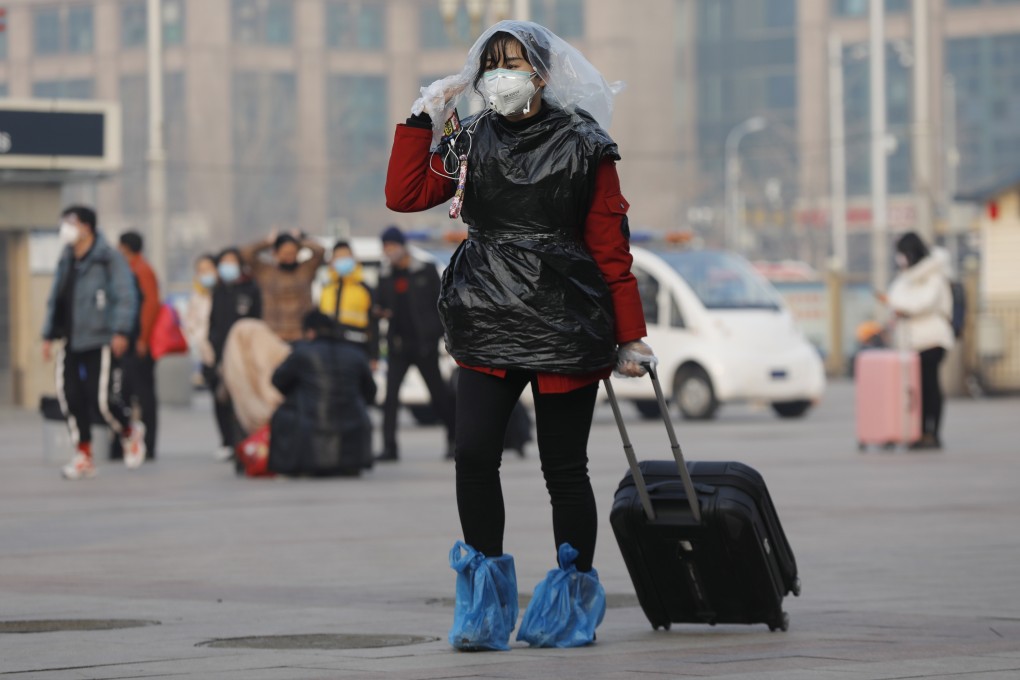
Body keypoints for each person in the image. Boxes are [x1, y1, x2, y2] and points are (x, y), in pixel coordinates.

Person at [385, 21, 653, 649]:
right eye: (492, 63)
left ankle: (568, 602)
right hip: (486, 316)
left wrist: (630, 336)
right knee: (474, 455)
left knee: (564, 469)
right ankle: (483, 606)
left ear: (542, 71)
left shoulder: (587, 144)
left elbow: (612, 249)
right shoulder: (471, 137)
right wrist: (425, 115)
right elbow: (405, 194)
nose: (501, 74)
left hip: (566, 318)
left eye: (514, 62)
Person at [42, 205, 147, 479]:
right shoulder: (67, 257)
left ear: (86, 226)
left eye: (70, 222)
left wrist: (121, 331)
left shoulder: (108, 257)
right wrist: (47, 334)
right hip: (69, 338)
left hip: (100, 337)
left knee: (100, 399)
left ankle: (129, 430)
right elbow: (56, 297)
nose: (65, 227)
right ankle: (84, 454)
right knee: (69, 397)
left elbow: (126, 295)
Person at [373, 226, 455, 462]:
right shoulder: (385, 274)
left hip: (424, 345)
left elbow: (441, 306)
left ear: (402, 246)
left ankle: (453, 439)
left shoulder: (425, 270)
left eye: (392, 246)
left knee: (438, 395)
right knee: (390, 399)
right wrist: (379, 311)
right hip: (398, 345)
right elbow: (378, 303)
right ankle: (389, 447)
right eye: (386, 247)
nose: (389, 252)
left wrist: (438, 337)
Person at [268, 311, 377, 477]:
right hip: (354, 449)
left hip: (311, 448)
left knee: (283, 412)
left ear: (310, 332)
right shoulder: (356, 354)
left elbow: (278, 381)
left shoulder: (302, 353)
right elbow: (371, 393)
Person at [886, 231, 955, 450]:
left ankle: (932, 432)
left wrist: (903, 308)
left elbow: (923, 303)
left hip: (933, 340)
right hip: (911, 342)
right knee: (916, 389)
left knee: (930, 386)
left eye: (902, 253)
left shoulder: (934, 274)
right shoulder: (905, 278)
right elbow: (894, 299)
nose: (899, 259)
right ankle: (916, 431)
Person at [207, 247, 262, 460]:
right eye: (224, 262)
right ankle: (227, 441)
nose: (227, 266)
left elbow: (257, 320)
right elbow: (213, 323)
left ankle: (244, 440)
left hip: (245, 354)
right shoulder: (219, 291)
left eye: (232, 261)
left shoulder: (251, 289)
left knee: (243, 400)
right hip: (221, 354)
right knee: (221, 399)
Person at [115, 231, 161, 461]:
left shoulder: (142, 270)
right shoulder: (129, 270)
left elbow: (151, 305)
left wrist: (142, 338)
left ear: (126, 248)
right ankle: (124, 442)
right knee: (124, 393)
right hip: (130, 343)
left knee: (144, 396)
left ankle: (149, 445)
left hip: (140, 345)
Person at [240, 230, 325, 342]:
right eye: (285, 253)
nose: (289, 257)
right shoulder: (265, 272)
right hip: (274, 335)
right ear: (275, 253)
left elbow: (320, 251)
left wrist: (300, 241)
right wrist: (267, 242)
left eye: (292, 253)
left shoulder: (306, 270)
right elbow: (246, 253)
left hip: (301, 335)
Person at [319, 240, 379, 363]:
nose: (342, 260)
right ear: (331, 261)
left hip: (357, 349)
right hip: (329, 350)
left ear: (354, 259)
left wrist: (374, 355)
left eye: (346, 256)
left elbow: (374, 324)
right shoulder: (326, 289)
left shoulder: (364, 289)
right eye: (338, 257)